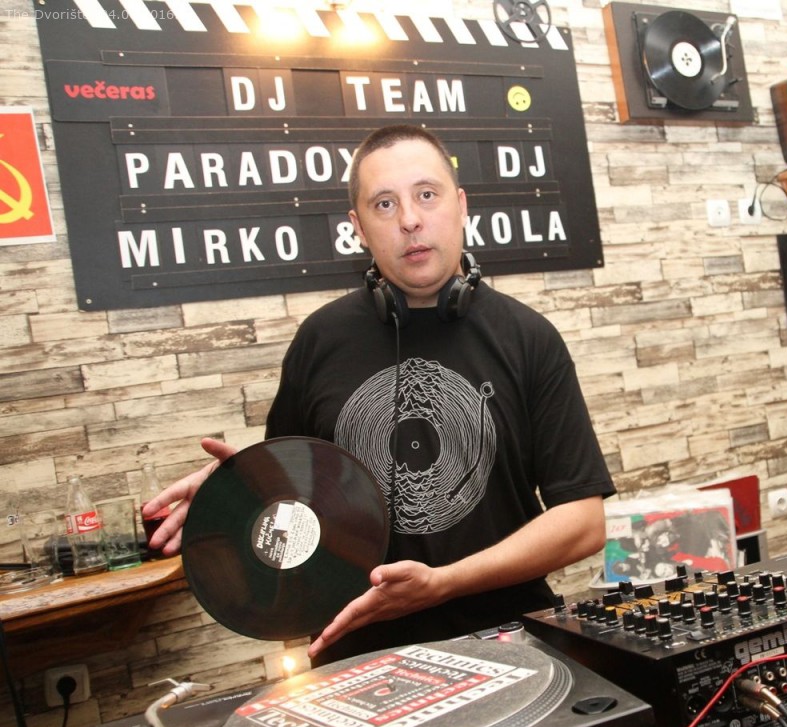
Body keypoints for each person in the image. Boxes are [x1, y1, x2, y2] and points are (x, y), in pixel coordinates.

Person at [142, 125, 613, 664]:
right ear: (358, 227)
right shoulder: (320, 340)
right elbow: (294, 506)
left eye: (427, 194)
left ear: (461, 206)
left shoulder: (529, 338)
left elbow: (582, 521)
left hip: (511, 645)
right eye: (384, 204)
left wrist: (444, 583)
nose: (410, 219)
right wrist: (237, 493)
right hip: (358, 657)